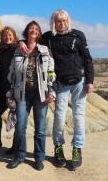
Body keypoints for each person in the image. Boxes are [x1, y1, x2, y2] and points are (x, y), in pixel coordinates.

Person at [19, 9, 94, 170]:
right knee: (59, 117)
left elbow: (87, 58)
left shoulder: (78, 35)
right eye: (58, 21)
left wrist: (90, 81)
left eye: (64, 21)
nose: (61, 24)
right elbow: (33, 39)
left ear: (68, 21)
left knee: (78, 116)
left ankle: (77, 149)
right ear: (54, 22)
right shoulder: (48, 37)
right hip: (61, 83)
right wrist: (20, 42)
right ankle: (58, 147)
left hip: (79, 82)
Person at [7, 21, 56, 171]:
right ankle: (20, 156)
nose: (33, 30)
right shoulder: (18, 50)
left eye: (36, 29)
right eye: (31, 28)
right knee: (21, 127)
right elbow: (12, 74)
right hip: (23, 94)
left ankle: (39, 157)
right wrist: (9, 93)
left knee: (40, 129)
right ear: (26, 31)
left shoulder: (45, 50)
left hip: (41, 94)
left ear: (39, 33)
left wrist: (52, 92)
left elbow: (51, 73)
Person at [0, 26, 19, 152]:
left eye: (10, 35)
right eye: (5, 35)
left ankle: (16, 146)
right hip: (3, 88)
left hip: (15, 89)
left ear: (14, 37)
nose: (7, 37)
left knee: (17, 118)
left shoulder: (17, 49)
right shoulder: (1, 50)